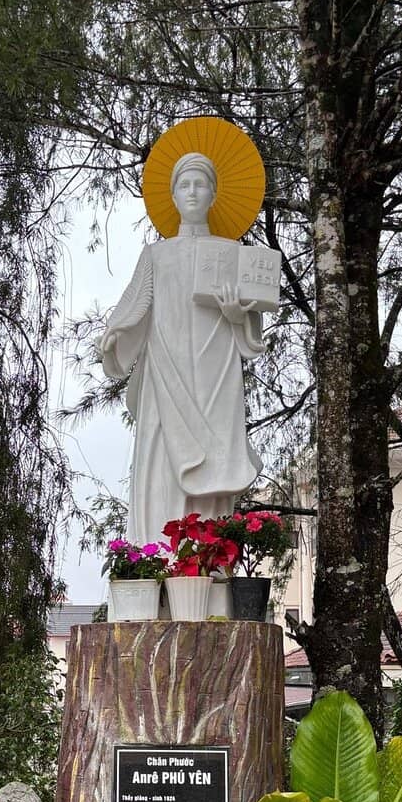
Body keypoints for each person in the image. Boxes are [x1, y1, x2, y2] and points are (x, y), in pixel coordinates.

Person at [100, 151, 264, 544]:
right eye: (184, 185)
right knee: (160, 467)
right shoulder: (156, 255)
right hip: (165, 371)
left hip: (215, 375)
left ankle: (208, 560)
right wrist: (115, 335)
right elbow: (135, 307)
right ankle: (156, 557)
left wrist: (236, 312)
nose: (192, 192)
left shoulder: (233, 252)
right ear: (172, 196)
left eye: (200, 184)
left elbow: (252, 324)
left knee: (215, 468)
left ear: (213, 193)